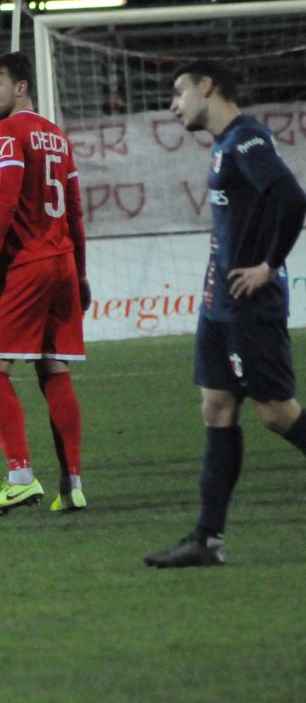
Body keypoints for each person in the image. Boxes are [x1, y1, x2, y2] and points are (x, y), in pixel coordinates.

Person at [145, 61, 306, 567]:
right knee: (216, 406)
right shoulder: (223, 145)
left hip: (249, 305)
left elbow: (292, 198)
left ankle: (207, 539)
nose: (173, 105)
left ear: (207, 87)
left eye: (179, 93)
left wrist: (268, 266)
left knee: (276, 413)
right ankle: (207, 540)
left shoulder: (246, 140)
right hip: (219, 305)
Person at [0, 52, 90, 517]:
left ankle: (20, 478)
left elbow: (5, 200)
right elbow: (74, 210)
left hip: (25, 264)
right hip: (61, 265)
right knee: (53, 369)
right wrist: (80, 272)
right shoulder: (57, 136)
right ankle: (72, 484)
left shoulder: (7, 132)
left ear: (21, 87)